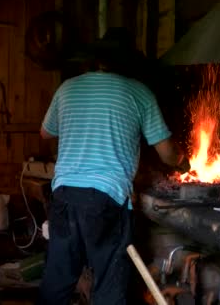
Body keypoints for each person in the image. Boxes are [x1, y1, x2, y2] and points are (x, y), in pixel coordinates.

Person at [37, 27, 190, 305]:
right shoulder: (139, 93)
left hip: (64, 196)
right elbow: (166, 152)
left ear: (96, 59)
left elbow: (45, 133)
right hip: (106, 201)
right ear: (128, 62)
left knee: (57, 281)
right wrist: (182, 162)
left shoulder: (67, 88)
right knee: (109, 286)